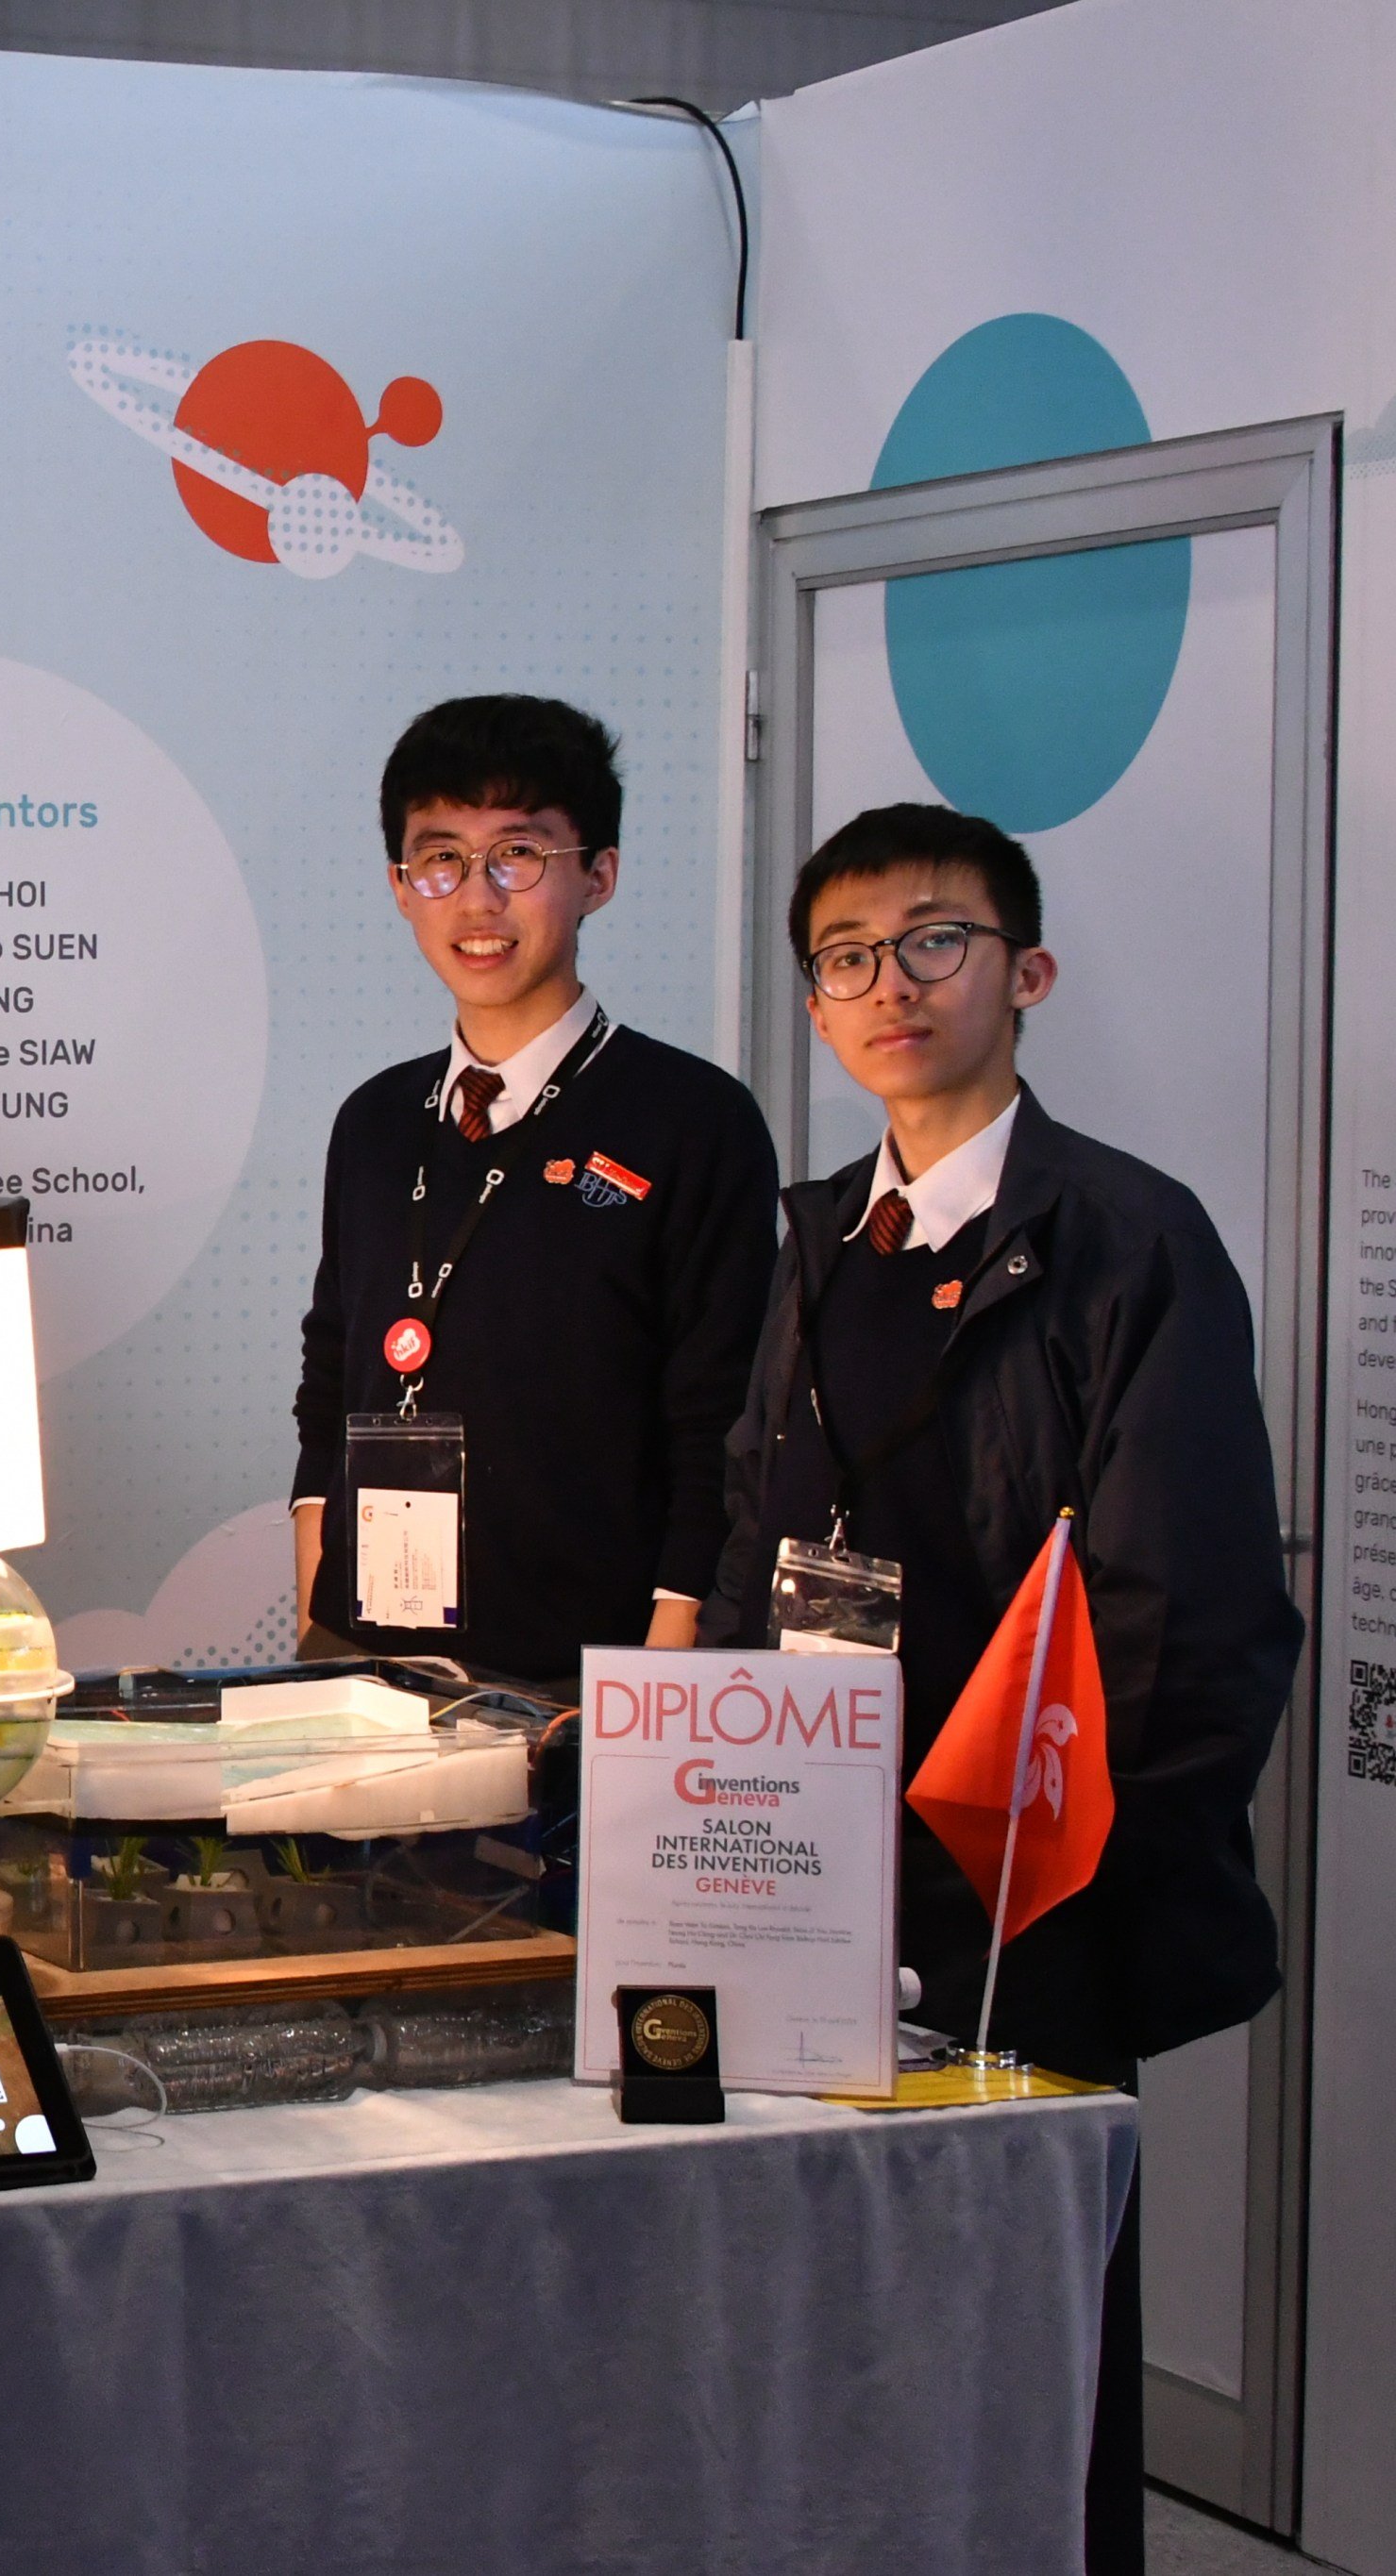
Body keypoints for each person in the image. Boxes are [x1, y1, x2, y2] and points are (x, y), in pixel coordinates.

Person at [701, 802, 1299, 2576]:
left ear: (1024, 973)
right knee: (826, 2326)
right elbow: (755, 1539)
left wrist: (1029, 1879)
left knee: (1035, 2350)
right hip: (803, 1881)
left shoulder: (1128, 1240)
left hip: (1026, 1896)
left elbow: (1180, 1622)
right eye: (849, 957)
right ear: (817, 1007)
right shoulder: (812, 1241)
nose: (894, 983)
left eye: (936, 940)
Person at [291, 694, 780, 1681]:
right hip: (367, 1660)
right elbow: (333, 1365)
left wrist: (660, 1683)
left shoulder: (692, 1118)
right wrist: (317, 1599)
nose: (477, 899)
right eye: (442, 859)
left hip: (589, 1675)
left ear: (599, 874)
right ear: (400, 885)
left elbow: (718, 1424)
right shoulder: (376, 1122)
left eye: (519, 855)